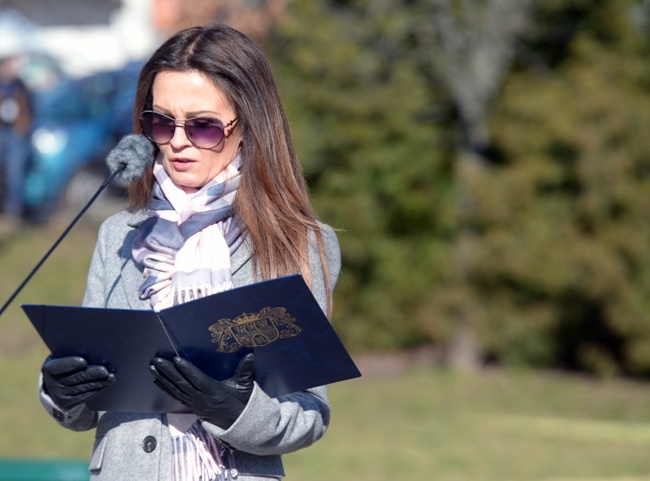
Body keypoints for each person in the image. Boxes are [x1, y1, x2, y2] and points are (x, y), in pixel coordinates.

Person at [37, 24, 340, 481]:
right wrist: (63, 390)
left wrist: (235, 410)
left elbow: (308, 412)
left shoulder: (298, 242)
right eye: (161, 122)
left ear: (248, 126)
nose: (177, 141)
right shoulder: (119, 234)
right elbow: (85, 412)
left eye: (202, 126)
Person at [0, 52, 32, 228]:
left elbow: (29, 109)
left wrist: (24, 128)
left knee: (15, 173)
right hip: (2, 131)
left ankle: (14, 212)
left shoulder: (20, 85)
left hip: (15, 134)